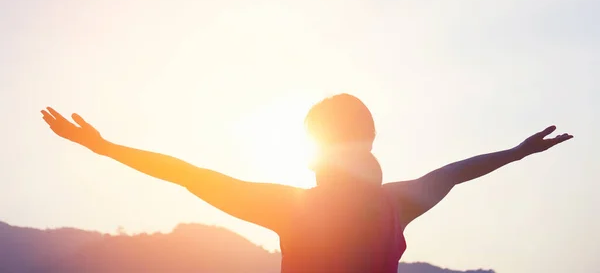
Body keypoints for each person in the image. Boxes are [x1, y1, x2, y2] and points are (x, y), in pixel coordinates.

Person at [41, 93, 573, 273]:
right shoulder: (398, 201)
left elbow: (188, 175)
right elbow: (456, 172)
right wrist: (516, 152)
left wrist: (105, 148)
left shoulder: (294, 206)